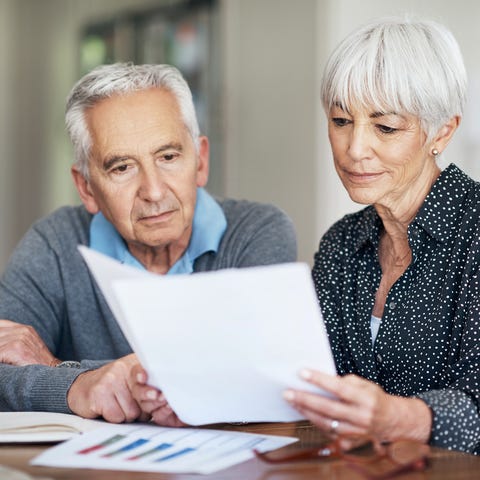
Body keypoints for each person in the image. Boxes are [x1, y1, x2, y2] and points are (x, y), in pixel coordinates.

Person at [0, 63, 297, 422]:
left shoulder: (257, 232)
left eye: (168, 157)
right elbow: (4, 362)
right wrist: (81, 384)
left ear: (200, 161)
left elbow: (251, 373)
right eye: (122, 167)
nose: (154, 192)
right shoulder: (55, 242)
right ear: (86, 188)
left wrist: (61, 370)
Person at [282, 17, 480, 455]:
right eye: (340, 120)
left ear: (442, 132)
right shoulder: (340, 245)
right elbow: (312, 381)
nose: (354, 149)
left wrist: (400, 417)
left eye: (385, 127)